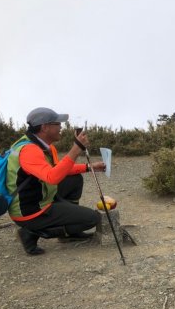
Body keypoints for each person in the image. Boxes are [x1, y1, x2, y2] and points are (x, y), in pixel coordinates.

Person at [6, 107, 106, 255]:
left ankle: (69, 233)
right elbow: (53, 177)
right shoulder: (29, 150)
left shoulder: (44, 146)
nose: (61, 127)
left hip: (40, 196)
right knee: (92, 219)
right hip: (31, 211)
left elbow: (58, 169)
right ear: (44, 127)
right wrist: (76, 148)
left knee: (74, 179)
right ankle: (30, 233)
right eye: (57, 124)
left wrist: (89, 167)